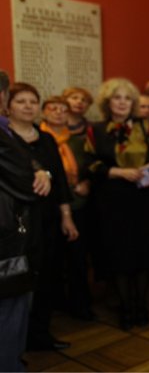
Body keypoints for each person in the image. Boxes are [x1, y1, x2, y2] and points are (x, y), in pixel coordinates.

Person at [86, 78, 149, 331]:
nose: (121, 103)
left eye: (127, 98)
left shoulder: (146, 127)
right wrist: (119, 172)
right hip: (112, 200)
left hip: (143, 198)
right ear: (107, 102)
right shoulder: (96, 130)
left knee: (143, 251)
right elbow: (90, 164)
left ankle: (141, 305)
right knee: (119, 254)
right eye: (116, 98)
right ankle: (126, 307)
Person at [7, 83, 78, 352]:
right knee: (18, 282)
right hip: (17, 221)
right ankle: (14, 342)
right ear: (7, 106)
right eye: (21, 101)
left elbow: (60, 182)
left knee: (47, 277)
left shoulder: (46, 138)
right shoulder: (6, 139)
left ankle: (40, 334)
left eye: (32, 101)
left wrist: (66, 216)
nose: (28, 106)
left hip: (48, 219)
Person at [0, 71, 50, 371]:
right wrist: (36, 174)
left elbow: (26, 162)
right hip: (6, 238)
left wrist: (41, 169)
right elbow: (25, 182)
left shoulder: (7, 131)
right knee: (10, 311)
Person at [42, 94, 95, 321]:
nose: (58, 113)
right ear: (44, 112)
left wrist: (87, 182)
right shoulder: (38, 139)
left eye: (63, 109)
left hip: (78, 204)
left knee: (78, 258)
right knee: (52, 259)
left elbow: (91, 165)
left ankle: (80, 305)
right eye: (53, 108)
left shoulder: (77, 140)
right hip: (48, 208)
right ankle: (55, 303)